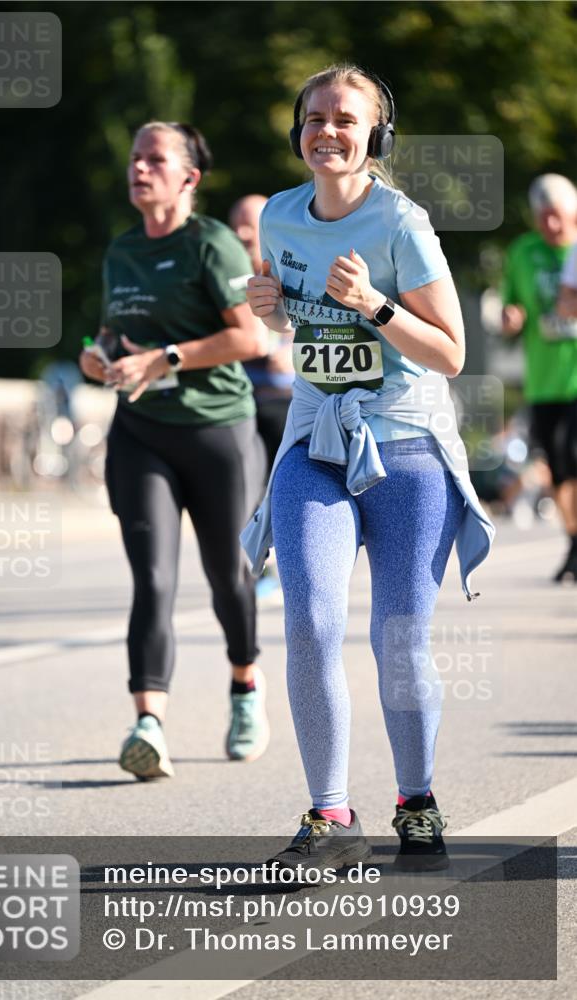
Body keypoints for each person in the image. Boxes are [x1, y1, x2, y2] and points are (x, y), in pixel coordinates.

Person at [242, 64, 494, 872]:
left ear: (374, 135)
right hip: (315, 438)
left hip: (406, 447)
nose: (328, 131)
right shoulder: (279, 217)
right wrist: (274, 309)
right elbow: (299, 325)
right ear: (297, 131)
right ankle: (329, 817)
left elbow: (450, 353)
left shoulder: (401, 223)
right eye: (314, 117)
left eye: (345, 119)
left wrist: (377, 309)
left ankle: (414, 800)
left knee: (398, 639)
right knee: (311, 624)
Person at [79, 121, 269, 780]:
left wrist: (165, 360)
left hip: (217, 432)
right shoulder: (121, 252)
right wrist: (98, 356)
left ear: (187, 176)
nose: (139, 168)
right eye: (134, 157)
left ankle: (245, 687)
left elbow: (250, 340)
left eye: (154, 159)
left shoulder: (212, 245)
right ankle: (148, 723)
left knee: (227, 578)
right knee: (152, 579)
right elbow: (113, 332)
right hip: (141, 434)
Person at [501, 174, 577, 582]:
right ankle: (573, 540)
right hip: (545, 380)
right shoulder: (522, 252)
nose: (550, 226)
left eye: (558, 217)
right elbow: (511, 305)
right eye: (543, 217)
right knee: (561, 468)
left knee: (575, 455)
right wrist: (511, 318)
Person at [229, 195, 295, 596]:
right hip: (240, 401)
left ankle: (291, 564)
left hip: (287, 402)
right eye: (235, 223)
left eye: (250, 224)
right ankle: (256, 567)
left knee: (283, 488)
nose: (241, 233)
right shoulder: (224, 279)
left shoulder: (293, 264)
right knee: (244, 487)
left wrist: (292, 355)